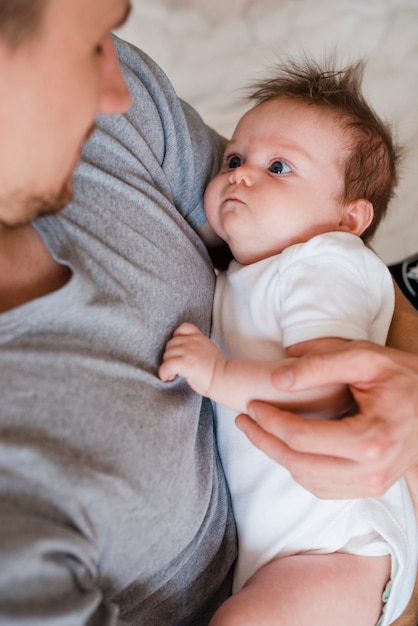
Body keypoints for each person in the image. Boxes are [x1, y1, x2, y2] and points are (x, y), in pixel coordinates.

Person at [1, 1, 418, 623]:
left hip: (334, 549)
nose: (117, 91)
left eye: (273, 167)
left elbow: (318, 249)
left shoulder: (122, 119)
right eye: (84, 48)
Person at [159, 59, 417, 626]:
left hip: (336, 550)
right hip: (292, 549)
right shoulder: (244, 275)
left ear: (349, 220)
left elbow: (322, 392)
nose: (241, 175)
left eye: (279, 166)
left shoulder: (325, 263)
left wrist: (217, 374)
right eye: (233, 159)